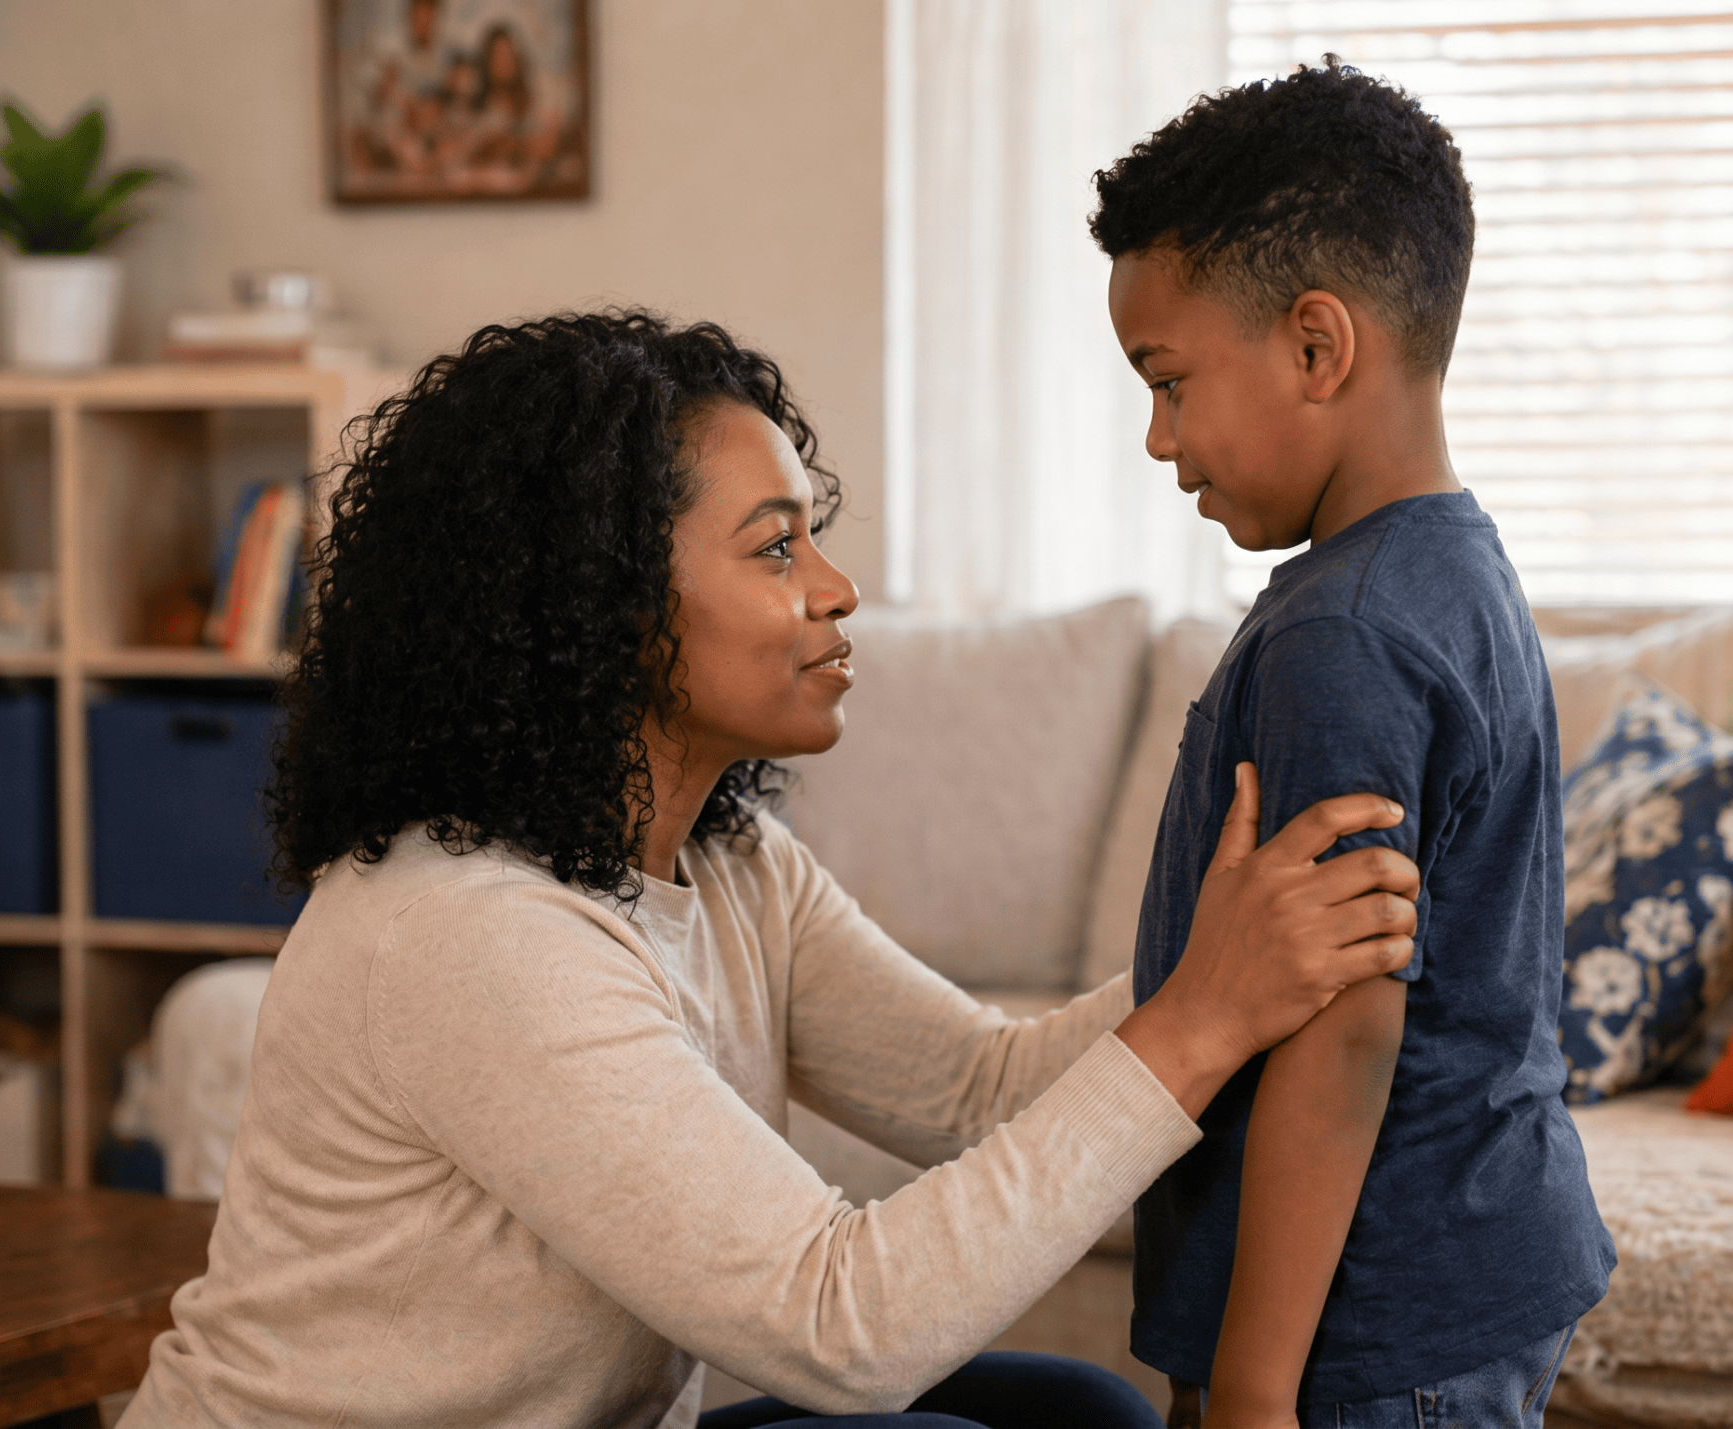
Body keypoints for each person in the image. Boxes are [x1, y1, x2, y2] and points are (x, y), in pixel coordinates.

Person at [121, 312, 1425, 1429]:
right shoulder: (468, 931)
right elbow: (838, 1325)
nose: (839, 587)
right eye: (775, 547)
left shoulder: (732, 865)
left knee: (1075, 1413)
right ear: (602, 606)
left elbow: (979, 1088)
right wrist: (1202, 1019)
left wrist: (1225, 962)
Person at [1092, 62, 1618, 1429]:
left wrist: (1258, 1390)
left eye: (1169, 382)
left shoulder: (1349, 634)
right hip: (1466, 1261)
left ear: (1318, 348)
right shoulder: (1451, 569)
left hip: (1366, 1334)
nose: (1157, 438)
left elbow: (1345, 1031)